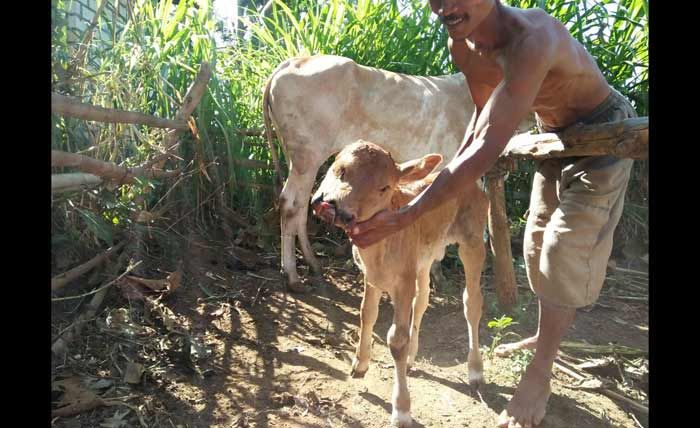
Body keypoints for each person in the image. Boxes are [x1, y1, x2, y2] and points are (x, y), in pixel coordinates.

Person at [347, 1, 637, 426]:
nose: (444, 6)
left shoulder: (533, 40)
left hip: (604, 132)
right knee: (536, 247)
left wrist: (408, 213)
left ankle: (539, 375)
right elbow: (481, 122)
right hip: (554, 139)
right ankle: (545, 336)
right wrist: (436, 185)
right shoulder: (462, 46)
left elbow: (487, 148)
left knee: (562, 248)